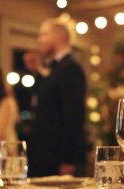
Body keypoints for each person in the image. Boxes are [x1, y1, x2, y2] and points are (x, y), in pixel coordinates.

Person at [28, 18, 87, 177]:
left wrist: (68, 160)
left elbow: (73, 116)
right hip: (44, 156)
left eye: (44, 35)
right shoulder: (54, 67)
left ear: (60, 37)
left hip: (58, 159)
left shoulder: (71, 69)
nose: (39, 40)